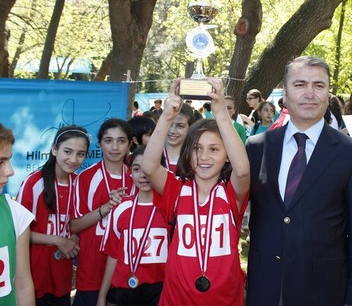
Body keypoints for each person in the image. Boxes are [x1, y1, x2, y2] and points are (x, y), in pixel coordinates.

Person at [245, 56, 352, 306]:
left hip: (323, 291)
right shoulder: (258, 147)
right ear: (285, 92)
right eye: (300, 84)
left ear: (328, 93)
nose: (310, 94)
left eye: (319, 85)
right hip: (265, 287)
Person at [142, 78, 250, 306]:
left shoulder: (230, 192)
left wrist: (221, 112)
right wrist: (167, 115)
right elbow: (149, 166)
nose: (204, 157)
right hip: (177, 298)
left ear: (227, 154)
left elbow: (242, 171)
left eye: (214, 149)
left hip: (224, 298)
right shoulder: (177, 190)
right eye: (197, 149)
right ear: (187, 152)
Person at [17, 126, 90, 306]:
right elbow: (17, 233)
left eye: (80, 154)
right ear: (54, 149)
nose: (73, 159)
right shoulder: (34, 183)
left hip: (62, 276)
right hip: (34, 275)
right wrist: (58, 240)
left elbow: (77, 224)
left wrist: (73, 237)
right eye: (67, 151)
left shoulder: (79, 183)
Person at [71, 118, 135, 306]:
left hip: (124, 271)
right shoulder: (86, 177)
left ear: (130, 144)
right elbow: (74, 225)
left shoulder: (136, 177)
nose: (114, 147)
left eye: (121, 141)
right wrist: (105, 208)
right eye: (108, 140)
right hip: (91, 271)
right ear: (100, 144)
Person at [97, 146, 168, 306]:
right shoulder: (120, 207)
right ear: (130, 173)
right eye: (137, 169)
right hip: (124, 290)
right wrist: (102, 297)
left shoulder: (171, 208)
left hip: (161, 289)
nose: (143, 175)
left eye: (149, 169)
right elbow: (113, 255)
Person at [0, 123, 35, 306]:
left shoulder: (17, 214)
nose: (10, 171)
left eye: (9, 160)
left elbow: (22, 285)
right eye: (0, 162)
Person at [162, 103, 195, 173]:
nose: (172, 131)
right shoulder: (151, 154)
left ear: (190, 128)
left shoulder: (195, 158)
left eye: (180, 126)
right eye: (169, 124)